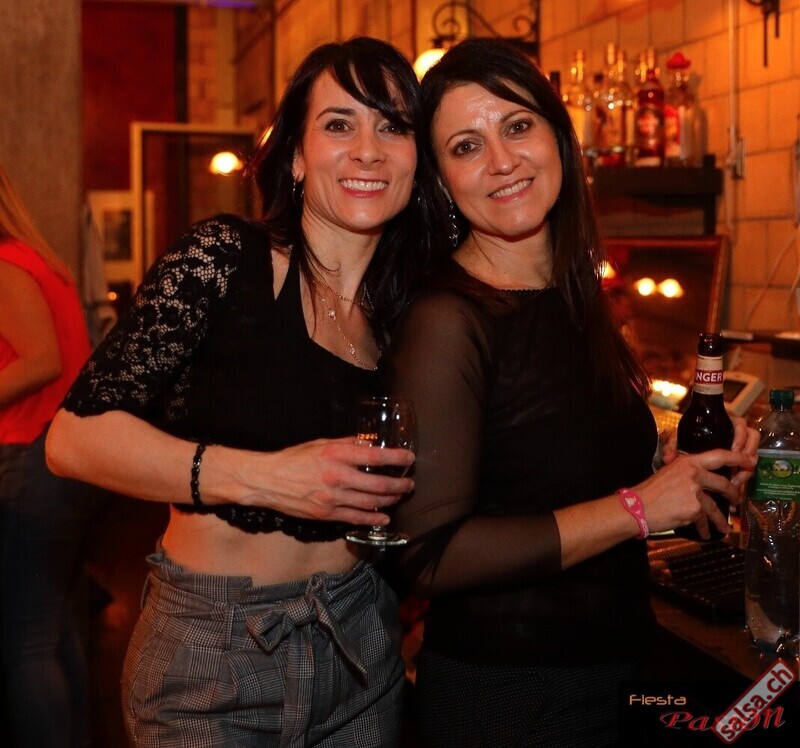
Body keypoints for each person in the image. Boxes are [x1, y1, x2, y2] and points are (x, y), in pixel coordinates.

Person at [46, 37, 437, 747]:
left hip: (362, 643)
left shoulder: (408, 313)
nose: (368, 150)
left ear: (417, 159)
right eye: (339, 124)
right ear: (295, 156)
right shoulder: (225, 260)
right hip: (215, 650)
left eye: (393, 127)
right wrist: (267, 478)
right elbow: (72, 440)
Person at [385, 39, 758, 747]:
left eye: (518, 126)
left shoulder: (573, 293)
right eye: (466, 146)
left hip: (618, 669)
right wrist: (640, 507)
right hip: (511, 700)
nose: (502, 161)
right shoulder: (447, 318)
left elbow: (545, 469)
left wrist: (677, 467)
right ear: (440, 180)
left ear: (558, 136)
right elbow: (429, 553)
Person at [0, 164, 99, 747]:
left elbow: (41, 361)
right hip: (60, 459)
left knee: (25, 643)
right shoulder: (34, 259)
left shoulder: (6, 264)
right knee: (53, 630)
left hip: (32, 457)